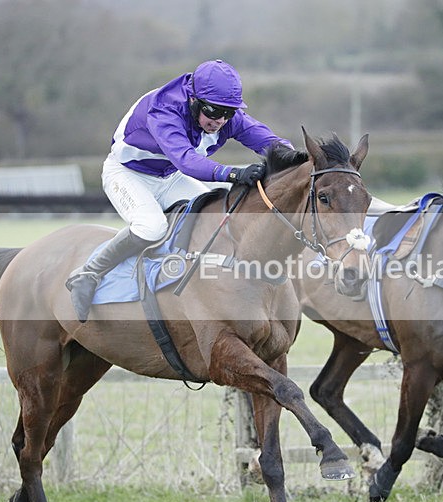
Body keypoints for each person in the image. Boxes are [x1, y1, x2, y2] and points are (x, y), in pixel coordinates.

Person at [66, 59, 292, 322]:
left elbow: (270, 143)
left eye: (228, 113)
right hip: (127, 174)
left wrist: (300, 160)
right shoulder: (164, 110)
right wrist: (233, 173)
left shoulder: (225, 114)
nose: (219, 120)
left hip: (169, 177)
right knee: (152, 228)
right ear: (193, 100)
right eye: (213, 111)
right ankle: (89, 273)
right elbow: (186, 161)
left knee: (216, 215)